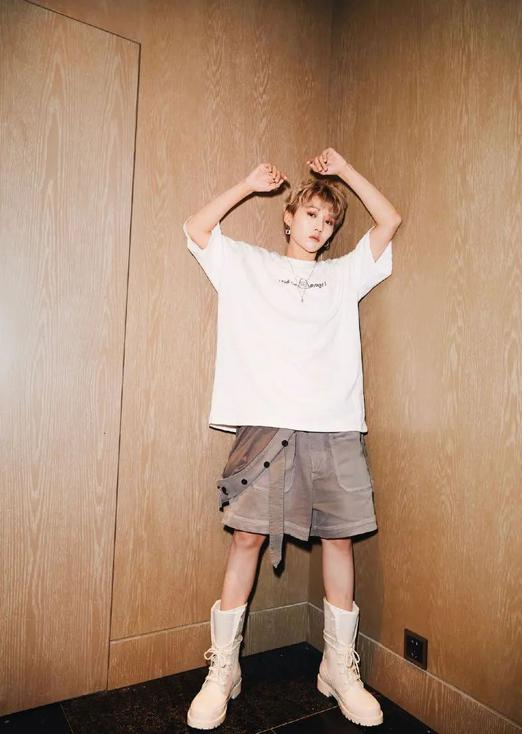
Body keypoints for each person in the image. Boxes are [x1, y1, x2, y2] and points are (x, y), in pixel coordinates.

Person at [183, 147, 402, 729]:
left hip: (334, 425)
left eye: (329, 220)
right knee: (246, 540)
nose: (320, 226)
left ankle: (338, 667)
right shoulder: (248, 264)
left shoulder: (342, 275)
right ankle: (223, 670)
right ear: (288, 215)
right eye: (310, 214)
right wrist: (248, 183)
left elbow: (389, 221)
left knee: (340, 541)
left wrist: (345, 172)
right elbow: (196, 227)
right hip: (266, 423)